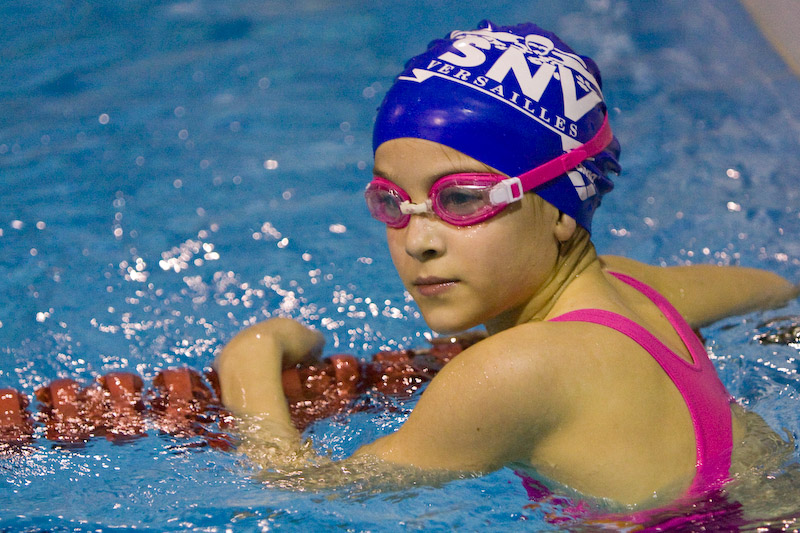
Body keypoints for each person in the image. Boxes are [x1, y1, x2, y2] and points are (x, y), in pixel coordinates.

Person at [215, 20, 799, 508]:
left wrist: (250, 359)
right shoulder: (636, 286)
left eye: (462, 199)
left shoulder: (508, 373)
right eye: (392, 202)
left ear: (563, 209)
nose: (418, 241)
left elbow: (302, 490)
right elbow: (776, 290)